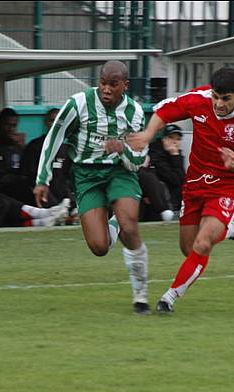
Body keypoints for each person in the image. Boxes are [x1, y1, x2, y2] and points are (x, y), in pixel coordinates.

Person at [127, 67, 234, 314]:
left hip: (226, 185)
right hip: (195, 182)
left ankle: (169, 298)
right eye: (215, 96)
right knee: (188, 249)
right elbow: (165, 110)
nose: (218, 104)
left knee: (203, 244)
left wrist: (233, 164)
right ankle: (233, 227)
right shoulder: (199, 100)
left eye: (226, 98)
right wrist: (148, 134)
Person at [33, 60, 151, 315]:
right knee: (99, 247)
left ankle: (140, 293)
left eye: (113, 84)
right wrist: (42, 179)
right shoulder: (78, 103)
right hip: (86, 174)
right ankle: (113, 224)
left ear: (125, 86)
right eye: (102, 83)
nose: (106, 89)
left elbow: (139, 161)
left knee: (130, 225)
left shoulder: (135, 113)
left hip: (120, 172)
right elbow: (55, 136)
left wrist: (124, 149)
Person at [21, 108, 74, 209]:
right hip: (41, 193)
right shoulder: (34, 147)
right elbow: (29, 178)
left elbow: (67, 179)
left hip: (62, 193)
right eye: (52, 120)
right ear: (46, 122)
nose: (55, 124)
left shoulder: (66, 149)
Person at [137, 124, 186, 221]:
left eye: (178, 139)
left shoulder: (175, 155)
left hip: (171, 199)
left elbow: (181, 179)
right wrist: (175, 156)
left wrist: (175, 156)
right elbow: (174, 179)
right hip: (154, 203)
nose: (174, 142)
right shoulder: (155, 153)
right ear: (163, 139)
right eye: (171, 138)